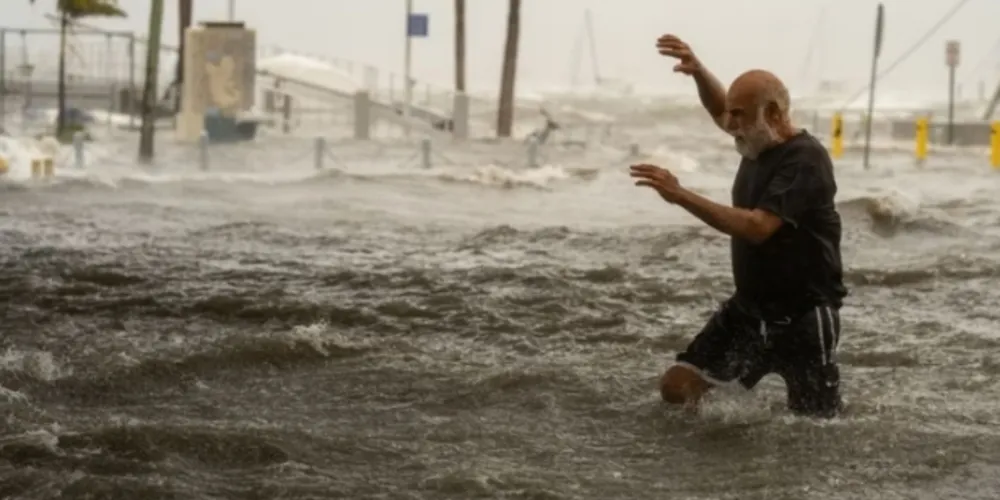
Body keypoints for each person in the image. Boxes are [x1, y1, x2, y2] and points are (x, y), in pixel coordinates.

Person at [628, 34, 848, 418]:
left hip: (804, 316)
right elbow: (720, 109)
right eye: (732, 115)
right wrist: (698, 72)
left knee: (814, 427)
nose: (731, 125)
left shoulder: (805, 159)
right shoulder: (754, 140)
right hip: (748, 310)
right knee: (677, 388)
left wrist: (681, 195)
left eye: (740, 115)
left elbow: (757, 226)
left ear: (776, 114)